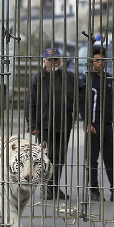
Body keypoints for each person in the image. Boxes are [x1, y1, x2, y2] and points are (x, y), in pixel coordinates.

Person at [80, 46, 114, 202]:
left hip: (108, 125)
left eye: (103, 60)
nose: (100, 63)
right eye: (97, 60)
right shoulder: (87, 79)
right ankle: (94, 190)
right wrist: (87, 122)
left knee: (110, 159)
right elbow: (83, 103)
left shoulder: (109, 79)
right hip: (93, 125)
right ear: (91, 62)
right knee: (92, 159)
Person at [25, 48, 75, 200]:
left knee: (60, 158)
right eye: (50, 59)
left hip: (64, 124)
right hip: (45, 126)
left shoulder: (68, 77)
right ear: (44, 61)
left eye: (56, 59)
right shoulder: (37, 78)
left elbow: (79, 95)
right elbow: (30, 103)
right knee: (48, 157)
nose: (54, 62)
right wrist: (33, 125)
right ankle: (47, 188)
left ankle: (54, 188)